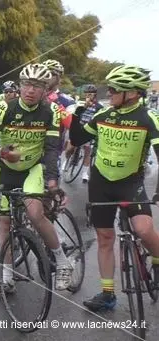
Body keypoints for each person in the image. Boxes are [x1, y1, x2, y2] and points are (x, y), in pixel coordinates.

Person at [69, 65, 159, 312]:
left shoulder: (148, 117)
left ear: (131, 93)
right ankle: (108, 293)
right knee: (105, 237)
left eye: (113, 90)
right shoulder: (103, 115)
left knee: (143, 228)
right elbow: (77, 140)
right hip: (100, 183)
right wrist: (78, 113)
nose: (108, 93)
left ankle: (157, 259)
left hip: (130, 183)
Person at [0, 63, 73, 295]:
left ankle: (62, 262)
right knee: (4, 222)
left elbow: (52, 148)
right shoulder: (4, 108)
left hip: (32, 169)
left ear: (45, 89)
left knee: (35, 213)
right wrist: (3, 152)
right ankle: (7, 279)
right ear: (20, 86)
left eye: (37, 86)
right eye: (26, 85)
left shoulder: (50, 111)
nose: (30, 90)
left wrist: (52, 181)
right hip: (5, 168)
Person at [62, 84, 102, 182]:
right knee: (70, 148)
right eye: (87, 94)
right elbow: (73, 113)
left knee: (87, 151)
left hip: (89, 130)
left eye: (91, 94)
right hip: (78, 127)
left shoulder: (99, 106)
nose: (88, 96)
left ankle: (84, 173)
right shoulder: (80, 103)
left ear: (95, 95)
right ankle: (67, 159)